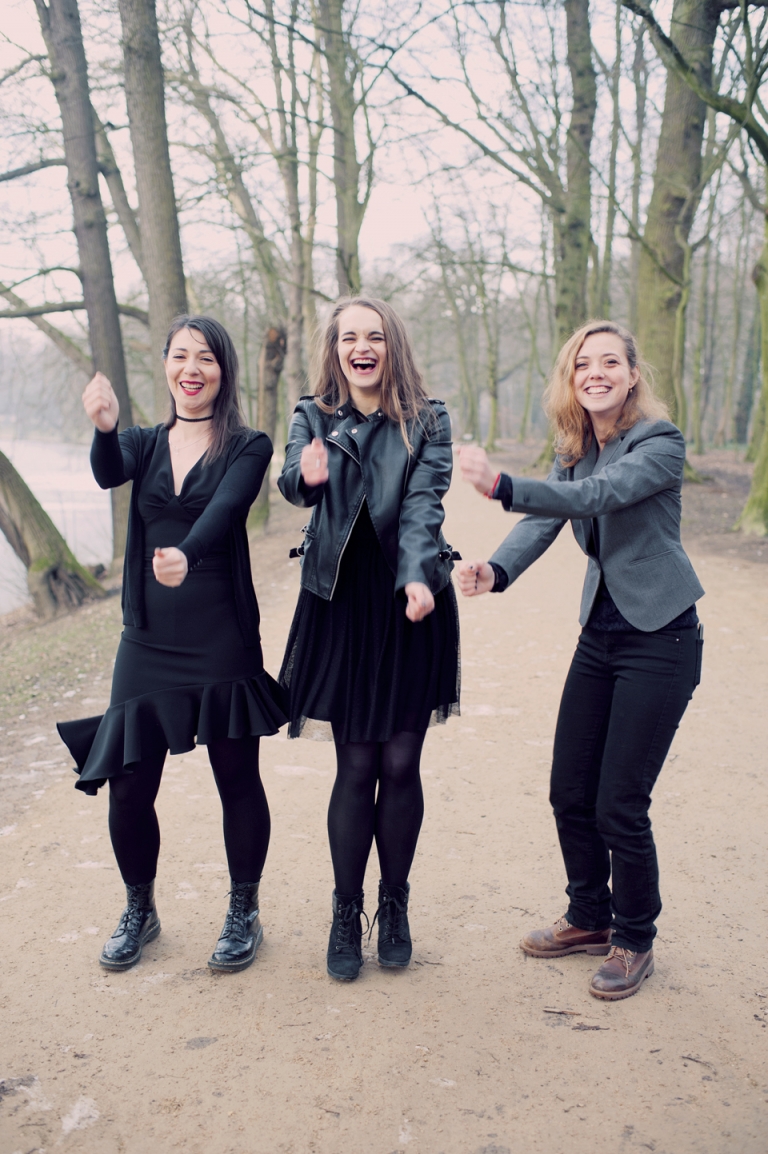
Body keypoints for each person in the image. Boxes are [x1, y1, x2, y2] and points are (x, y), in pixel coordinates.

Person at [457, 319, 704, 1001]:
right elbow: (546, 519)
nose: (595, 373)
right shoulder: (575, 447)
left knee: (620, 802)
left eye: (609, 363)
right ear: (571, 378)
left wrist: (502, 483)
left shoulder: (659, 442)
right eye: (582, 364)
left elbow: (596, 498)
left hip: (662, 637)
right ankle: (590, 918)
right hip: (600, 634)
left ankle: (634, 938)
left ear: (631, 375)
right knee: (570, 790)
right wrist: (497, 571)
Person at [58, 316, 287, 975]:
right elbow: (107, 474)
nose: (193, 367)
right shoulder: (141, 443)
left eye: (206, 357)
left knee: (236, 778)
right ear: (166, 367)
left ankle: (244, 911)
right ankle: (140, 909)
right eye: (181, 356)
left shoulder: (249, 445)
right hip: (149, 638)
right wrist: (103, 427)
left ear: (224, 370)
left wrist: (185, 553)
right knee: (128, 784)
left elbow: (226, 511)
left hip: (221, 633)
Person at [278, 296, 460, 981]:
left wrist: (418, 576)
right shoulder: (312, 415)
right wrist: (309, 474)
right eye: (349, 336)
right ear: (335, 348)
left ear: (391, 346)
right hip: (341, 610)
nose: (363, 346)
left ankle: (395, 901)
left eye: (374, 336)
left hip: (409, 605)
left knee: (400, 766)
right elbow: (292, 479)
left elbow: (423, 506)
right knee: (355, 767)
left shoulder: (427, 419)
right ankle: (345, 908)